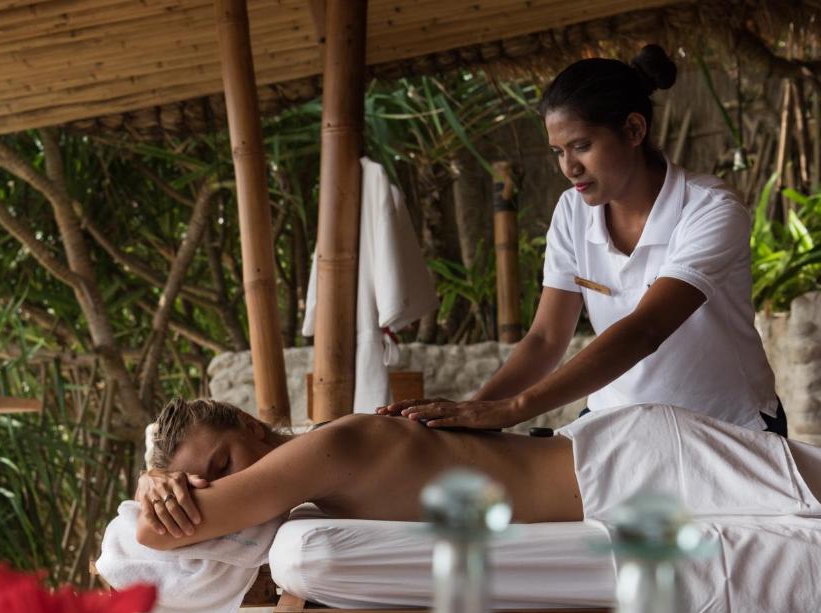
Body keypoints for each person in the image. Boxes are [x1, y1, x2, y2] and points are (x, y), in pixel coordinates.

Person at [377, 45, 784, 436]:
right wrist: (474, 414)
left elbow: (646, 329)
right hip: (616, 422)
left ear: (633, 129)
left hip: (726, 425)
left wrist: (513, 409)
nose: (569, 168)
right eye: (557, 152)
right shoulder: (573, 212)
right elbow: (545, 339)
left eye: (581, 146)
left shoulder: (710, 208)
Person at [133, 398, 821, 548]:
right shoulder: (322, 456)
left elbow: (168, 533)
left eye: (219, 467)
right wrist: (158, 482)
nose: (216, 487)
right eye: (200, 481)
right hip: (618, 466)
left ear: (254, 425)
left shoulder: (326, 447)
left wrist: (157, 495)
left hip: (635, 461)